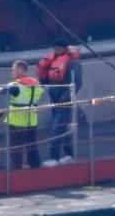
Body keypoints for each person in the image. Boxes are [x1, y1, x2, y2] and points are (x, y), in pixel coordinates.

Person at [37, 38, 82, 167]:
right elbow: (47, 77)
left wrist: (67, 96)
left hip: (65, 101)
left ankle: (54, 157)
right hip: (54, 98)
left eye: (58, 49)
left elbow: (77, 82)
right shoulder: (53, 61)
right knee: (62, 128)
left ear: (65, 48)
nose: (56, 51)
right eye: (55, 49)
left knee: (57, 128)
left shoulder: (73, 63)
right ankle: (69, 155)